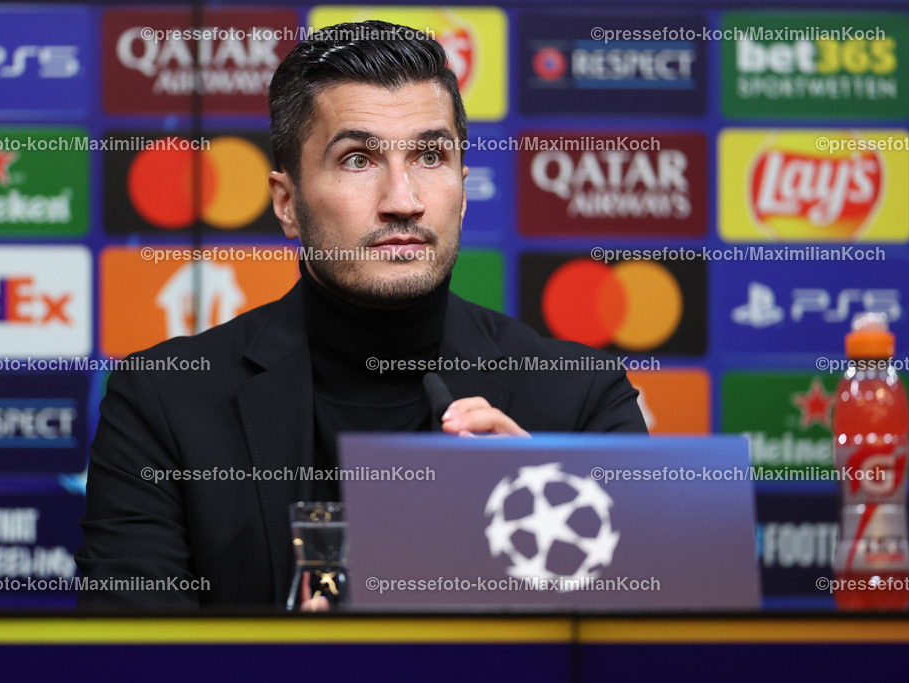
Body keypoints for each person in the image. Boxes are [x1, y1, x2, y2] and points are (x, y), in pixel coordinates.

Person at [76, 20, 647, 609]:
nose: (403, 200)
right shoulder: (164, 401)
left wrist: (550, 528)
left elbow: (659, 648)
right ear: (287, 202)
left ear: (463, 186)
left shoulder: (580, 398)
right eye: (357, 160)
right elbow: (129, 656)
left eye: (430, 156)